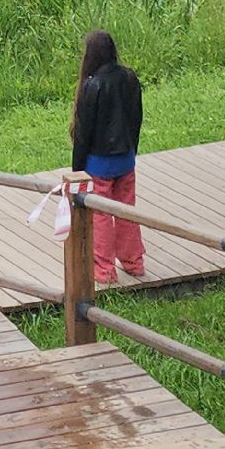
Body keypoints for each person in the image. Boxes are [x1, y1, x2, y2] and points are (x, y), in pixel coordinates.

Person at [70, 30, 145, 285]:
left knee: (100, 215)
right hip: (126, 158)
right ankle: (134, 263)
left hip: (99, 163)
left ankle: (104, 270)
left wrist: (76, 169)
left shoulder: (92, 85)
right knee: (126, 211)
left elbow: (84, 134)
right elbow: (136, 119)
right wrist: (131, 150)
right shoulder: (130, 77)